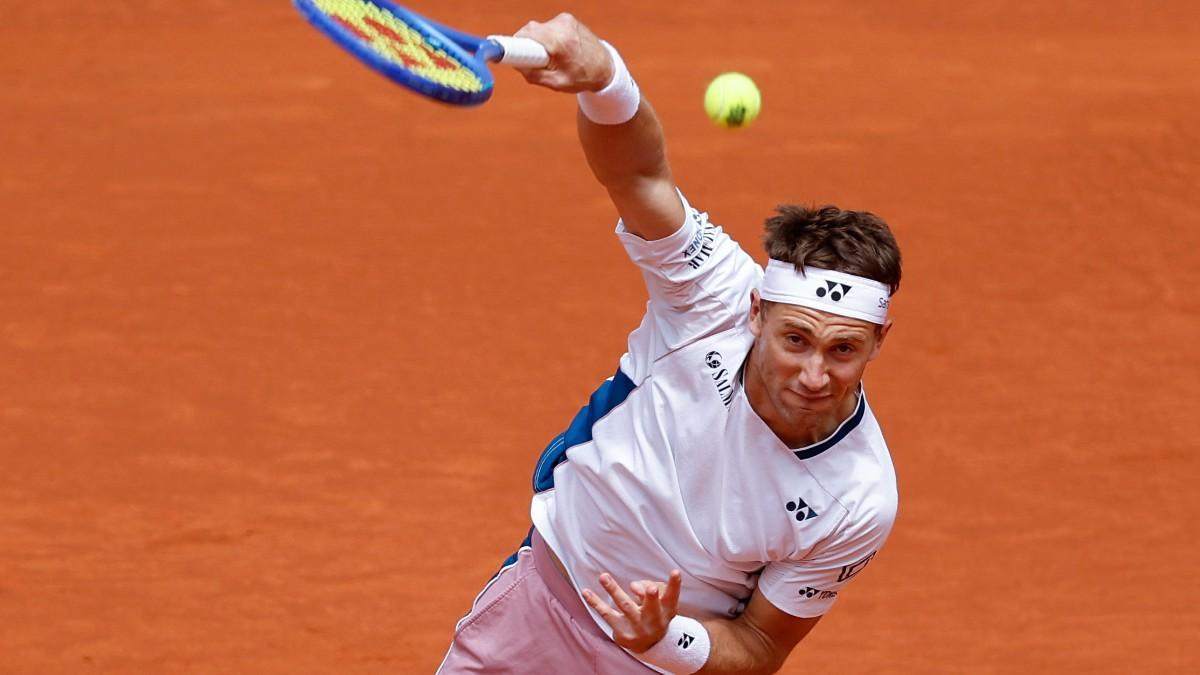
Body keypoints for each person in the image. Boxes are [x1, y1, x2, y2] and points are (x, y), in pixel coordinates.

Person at [437, 13, 902, 675]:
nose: (813, 373)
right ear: (755, 311)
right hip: (535, 608)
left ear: (879, 340)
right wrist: (605, 80)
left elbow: (764, 645)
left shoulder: (859, 496)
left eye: (843, 349)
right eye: (794, 339)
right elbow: (639, 177)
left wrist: (662, 638)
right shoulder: (711, 294)